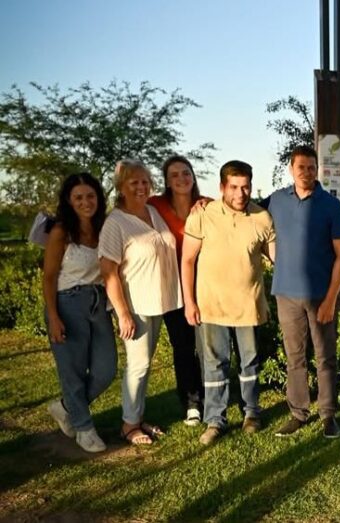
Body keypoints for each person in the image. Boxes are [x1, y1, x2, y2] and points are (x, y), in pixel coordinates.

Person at [181, 160, 276, 445]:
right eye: (234, 187)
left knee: (249, 363)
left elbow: (277, 258)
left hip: (249, 305)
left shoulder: (262, 217)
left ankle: (252, 413)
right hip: (211, 305)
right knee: (214, 365)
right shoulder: (202, 214)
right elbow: (187, 260)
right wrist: (189, 302)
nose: (240, 193)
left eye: (245, 186)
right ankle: (215, 420)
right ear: (222, 187)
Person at [262, 145, 340, 439]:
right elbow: (246, 214)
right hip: (286, 294)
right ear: (291, 168)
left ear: (317, 170)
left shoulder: (331, 205)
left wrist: (330, 300)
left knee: (325, 357)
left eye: (312, 167)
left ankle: (328, 415)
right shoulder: (275, 201)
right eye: (301, 167)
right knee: (295, 357)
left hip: (320, 295)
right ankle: (299, 413)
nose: (307, 172)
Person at [99, 159, 182, 445]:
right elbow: (108, 270)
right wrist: (122, 312)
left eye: (145, 181)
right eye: (133, 182)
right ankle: (129, 425)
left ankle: (137, 416)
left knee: (144, 364)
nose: (141, 186)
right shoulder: (115, 222)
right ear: (121, 187)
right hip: (134, 305)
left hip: (158, 300)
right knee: (138, 364)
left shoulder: (152, 212)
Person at [43, 173, 117, 452]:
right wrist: (53, 316)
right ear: (69, 201)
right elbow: (48, 277)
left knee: (106, 370)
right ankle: (84, 428)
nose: (86, 202)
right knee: (72, 372)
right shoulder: (61, 231)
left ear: (98, 197)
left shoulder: (104, 228)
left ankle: (65, 407)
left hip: (98, 302)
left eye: (90, 196)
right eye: (78, 197)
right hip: (67, 302)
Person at [147, 155, 205, 426]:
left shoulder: (206, 206)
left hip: (204, 285)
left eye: (186, 172)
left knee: (206, 346)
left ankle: (212, 394)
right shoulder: (155, 206)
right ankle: (192, 402)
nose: (181, 178)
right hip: (172, 286)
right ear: (167, 182)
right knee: (182, 346)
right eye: (174, 175)